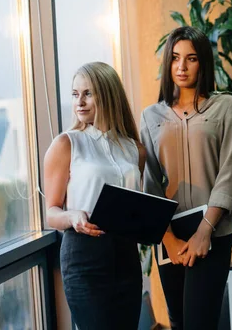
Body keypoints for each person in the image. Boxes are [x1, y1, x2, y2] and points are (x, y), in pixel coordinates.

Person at [140, 26, 232, 330]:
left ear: (204, 63)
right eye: (174, 58)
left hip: (213, 232)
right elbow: (151, 183)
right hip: (169, 234)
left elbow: (229, 174)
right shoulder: (151, 116)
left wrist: (204, 232)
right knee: (179, 322)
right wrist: (168, 240)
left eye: (191, 58)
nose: (181, 67)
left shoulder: (225, 106)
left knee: (200, 321)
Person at [44, 61, 146, 330]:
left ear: (108, 94)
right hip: (84, 257)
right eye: (75, 94)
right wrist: (73, 216)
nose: (80, 102)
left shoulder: (135, 149)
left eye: (88, 93)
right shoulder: (66, 143)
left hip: (126, 257)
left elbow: (136, 205)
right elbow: (51, 212)